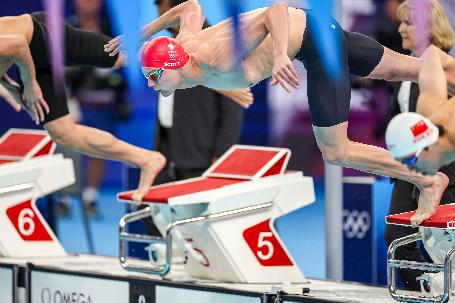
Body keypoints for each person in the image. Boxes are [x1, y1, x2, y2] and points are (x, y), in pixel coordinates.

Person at [105, 0, 455, 224]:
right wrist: (143, 32)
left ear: (172, 66)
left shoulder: (217, 57)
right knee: (410, 69)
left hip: (316, 45)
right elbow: (191, 7)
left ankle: (427, 179)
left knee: (337, 150)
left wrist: (278, 57)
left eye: (153, 75)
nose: (151, 84)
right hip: (319, 28)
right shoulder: (184, 47)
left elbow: (276, 9)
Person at [0, 12, 164, 201]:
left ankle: (182, 52)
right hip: (34, 48)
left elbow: (17, 44)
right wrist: (12, 89)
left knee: (120, 58)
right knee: (62, 133)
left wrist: (29, 85)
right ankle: (146, 159)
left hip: (38, 38)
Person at [383, 0, 455, 290]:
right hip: (430, 169)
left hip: (448, 172)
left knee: (444, 244)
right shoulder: (427, 91)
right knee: (398, 238)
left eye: (409, 23)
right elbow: (435, 56)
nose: (401, 28)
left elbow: (437, 54)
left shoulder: (436, 91)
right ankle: (428, 289)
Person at [63, 0, 131, 215]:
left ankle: (90, 197)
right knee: (69, 149)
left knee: (100, 148)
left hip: (104, 102)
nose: (88, 4)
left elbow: (122, 67)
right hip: (74, 101)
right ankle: (64, 197)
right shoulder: (66, 29)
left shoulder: (110, 30)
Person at [386, 45, 455, 223]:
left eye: (411, 161)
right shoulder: (427, 109)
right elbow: (432, 53)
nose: (410, 170)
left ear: (426, 146)